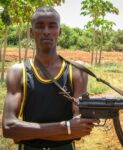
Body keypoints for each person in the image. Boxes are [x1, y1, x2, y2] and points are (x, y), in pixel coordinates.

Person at [2, 6, 97, 150]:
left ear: (59, 31)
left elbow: (79, 131)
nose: (46, 31)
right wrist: (67, 127)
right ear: (31, 32)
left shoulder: (77, 71)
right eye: (40, 26)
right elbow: (9, 128)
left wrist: (25, 132)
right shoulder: (18, 72)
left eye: (52, 26)